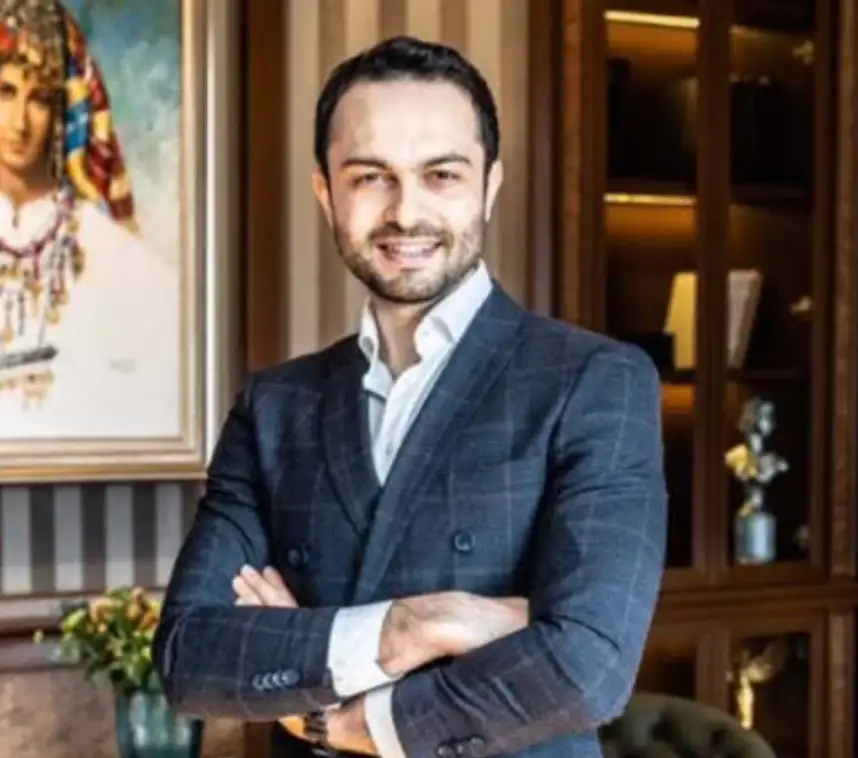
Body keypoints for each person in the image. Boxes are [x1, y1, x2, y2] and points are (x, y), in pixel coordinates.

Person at [153, 35, 667, 758]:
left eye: (441, 175)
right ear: (326, 192)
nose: (406, 211)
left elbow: (587, 668)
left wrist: (341, 719)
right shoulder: (274, 408)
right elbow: (189, 655)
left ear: (489, 185)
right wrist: (415, 626)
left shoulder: (596, 383)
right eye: (371, 177)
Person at [0, 0, 178, 439]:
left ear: (63, 111)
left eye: (39, 99)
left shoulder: (115, 256)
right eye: (5, 91)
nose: (19, 122)